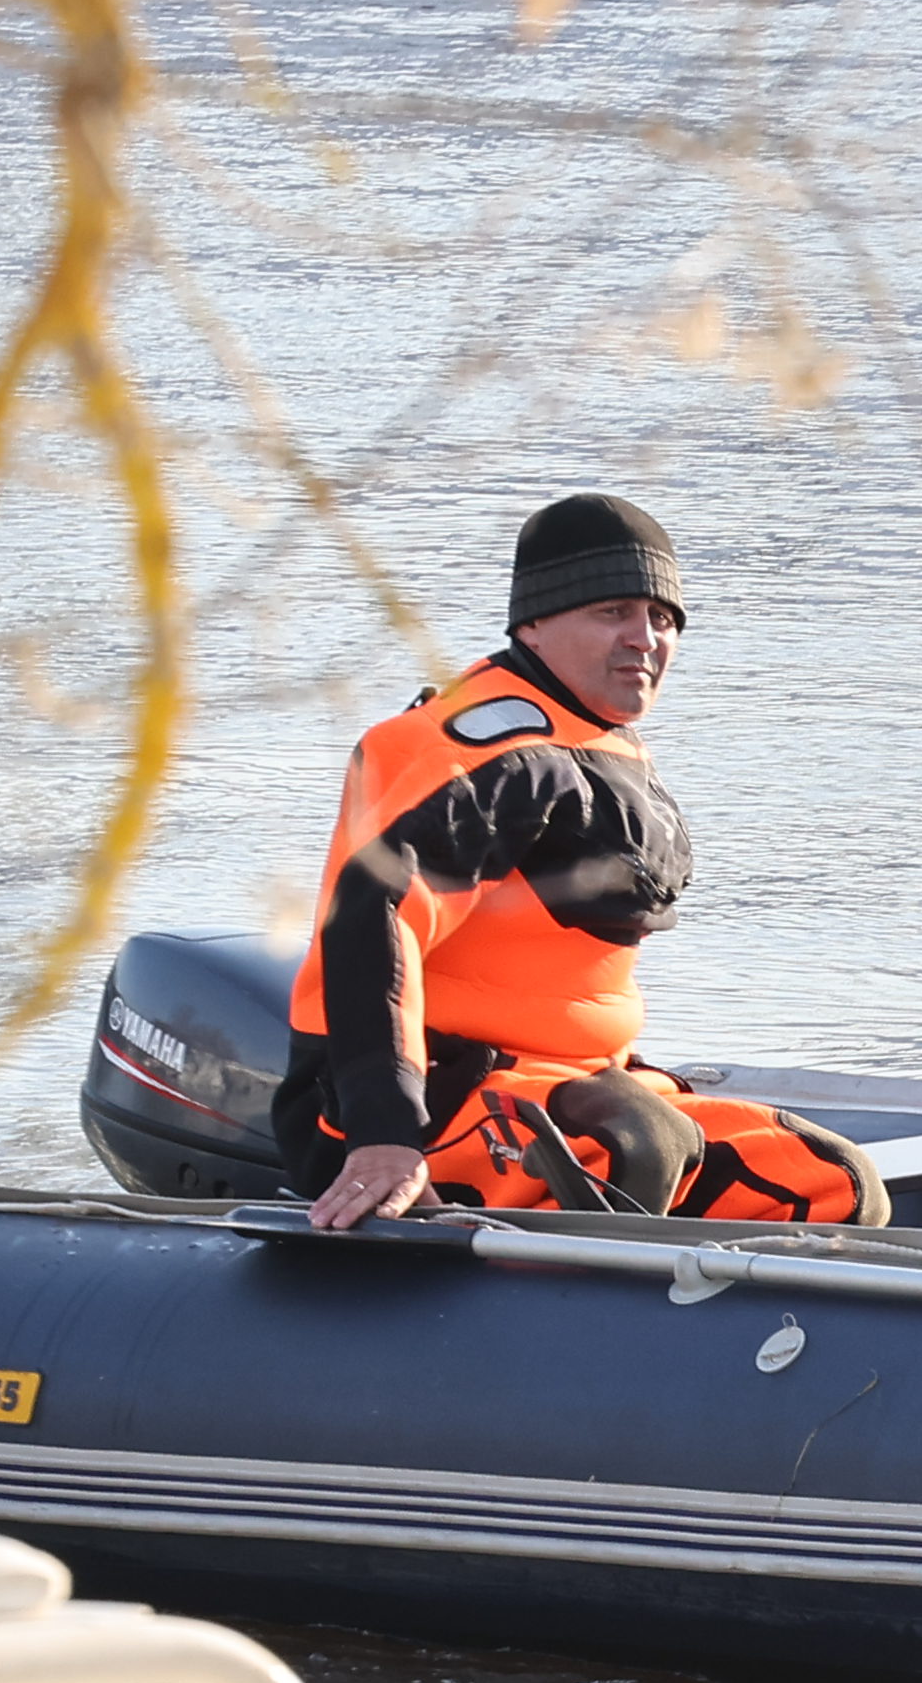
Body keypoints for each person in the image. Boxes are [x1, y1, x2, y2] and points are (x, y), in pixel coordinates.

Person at [286, 493, 870, 1234]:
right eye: (613, 612)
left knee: (835, 1182)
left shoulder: (592, 734)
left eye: (662, 619)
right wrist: (384, 1135)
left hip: (558, 1080)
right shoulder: (476, 750)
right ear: (534, 620)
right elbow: (372, 913)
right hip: (425, 1100)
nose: (644, 639)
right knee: (641, 1143)